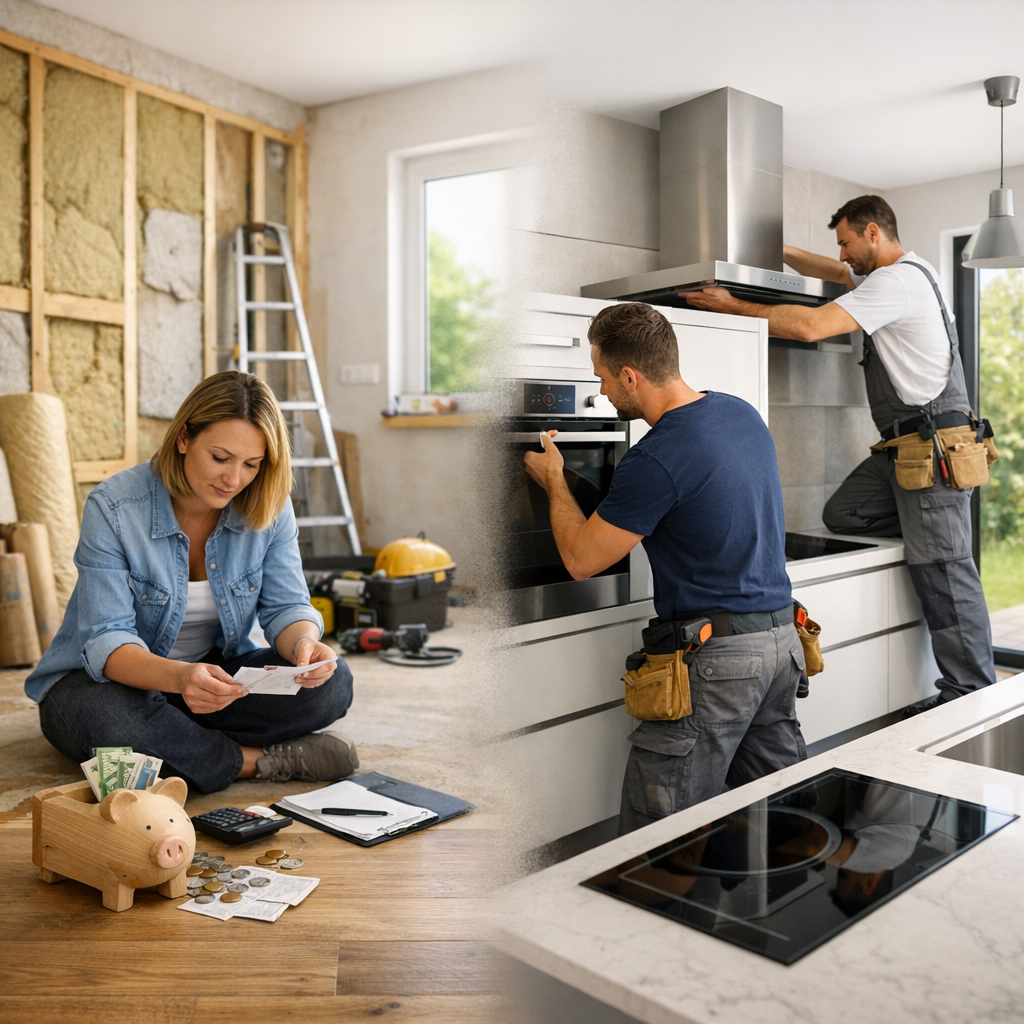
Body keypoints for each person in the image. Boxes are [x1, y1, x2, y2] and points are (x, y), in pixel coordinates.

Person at [685, 195, 996, 715]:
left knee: (945, 571)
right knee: (842, 512)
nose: (844, 257)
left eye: (848, 243)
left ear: (873, 233)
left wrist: (732, 307)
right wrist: (770, 249)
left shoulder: (894, 283)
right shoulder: (895, 274)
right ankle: (931, 532)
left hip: (932, 448)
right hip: (904, 448)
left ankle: (971, 695)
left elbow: (809, 326)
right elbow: (829, 268)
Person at [523, 302, 806, 835]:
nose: (602, 391)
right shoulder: (738, 411)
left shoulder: (656, 456)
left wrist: (556, 481)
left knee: (661, 832)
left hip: (719, 663)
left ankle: (655, 913)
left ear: (630, 376)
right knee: (782, 814)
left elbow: (582, 560)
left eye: (603, 378)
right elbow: (667, 507)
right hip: (780, 644)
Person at [25, 371, 358, 794]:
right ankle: (254, 761)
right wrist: (181, 679)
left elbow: (287, 608)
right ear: (184, 437)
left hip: (211, 681)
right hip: (107, 685)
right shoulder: (114, 507)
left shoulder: (269, 506)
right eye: (220, 457)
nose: (234, 479)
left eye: (251, 464)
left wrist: (305, 647)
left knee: (334, 683)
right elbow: (108, 641)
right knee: (107, 721)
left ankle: (181, 745)